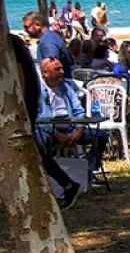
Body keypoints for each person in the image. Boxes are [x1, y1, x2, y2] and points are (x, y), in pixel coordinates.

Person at [11, 36, 81, 208]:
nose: (61, 72)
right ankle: (66, 184)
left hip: (32, 118)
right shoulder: (18, 51)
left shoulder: (13, 48)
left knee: (33, 150)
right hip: (38, 121)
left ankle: (65, 185)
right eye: (56, 69)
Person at [36, 58, 110, 177]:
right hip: (50, 131)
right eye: (57, 69)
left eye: (62, 68)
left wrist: (79, 131)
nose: (62, 72)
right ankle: (51, 176)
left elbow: (78, 110)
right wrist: (58, 135)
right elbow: (38, 118)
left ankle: (89, 171)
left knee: (101, 136)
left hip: (71, 128)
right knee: (41, 141)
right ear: (45, 73)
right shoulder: (38, 90)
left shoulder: (66, 87)